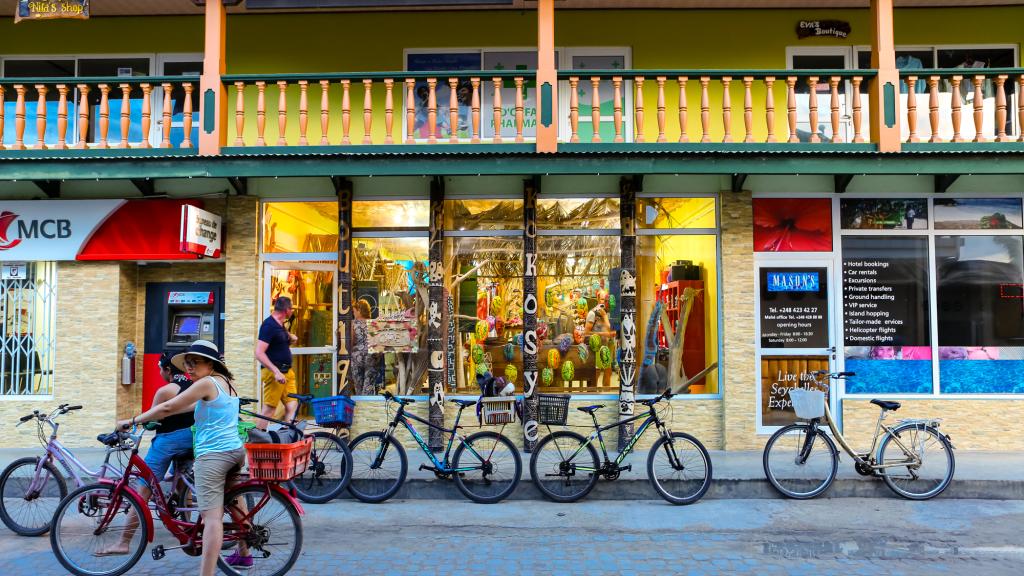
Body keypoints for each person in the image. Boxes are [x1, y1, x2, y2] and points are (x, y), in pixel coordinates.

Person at [117, 340, 250, 574]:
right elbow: (180, 407)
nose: (189, 368)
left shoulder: (207, 383)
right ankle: (244, 553)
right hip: (235, 452)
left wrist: (132, 421)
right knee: (233, 503)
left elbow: (168, 408)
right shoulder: (225, 383)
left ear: (210, 363)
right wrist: (158, 412)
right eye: (187, 364)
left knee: (212, 519)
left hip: (214, 457)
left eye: (194, 363)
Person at [97, 351, 195, 557]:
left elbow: (152, 419)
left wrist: (130, 422)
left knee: (143, 490)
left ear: (168, 370)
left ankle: (123, 542)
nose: (159, 372)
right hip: (193, 440)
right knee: (181, 484)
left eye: (161, 368)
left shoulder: (165, 391)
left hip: (169, 441)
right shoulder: (192, 386)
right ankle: (187, 529)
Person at [255, 296, 299, 429]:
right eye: (291, 308)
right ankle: (257, 442)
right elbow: (259, 353)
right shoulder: (269, 325)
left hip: (287, 372)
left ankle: (287, 436)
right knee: (269, 410)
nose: (292, 311)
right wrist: (276, 371)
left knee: (292, 406)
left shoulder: (280, 324)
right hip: (275, 373)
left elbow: (278, 342)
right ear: (286, 310)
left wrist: (290, 337)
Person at [585, 299, 616, 389]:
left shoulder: (610, 314)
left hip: (608, 346)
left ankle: (606, 393)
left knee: (608, 371)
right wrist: (604, 334)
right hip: (596, 347)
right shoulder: (593, 314)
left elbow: (613, 331)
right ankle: (591, 394)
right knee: (596, 371)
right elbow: (586, 332)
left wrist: (606, 317)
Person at [352, 298, 380, 396]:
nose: (354, 314)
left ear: (359, 310)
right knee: (369, 386)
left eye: (354, 312)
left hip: (357, 359)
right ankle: (368, 406)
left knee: (358, 386)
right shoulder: (375, 324)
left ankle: (360, 406)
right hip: (371, 358)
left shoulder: (353, 324)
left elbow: (351, 341)